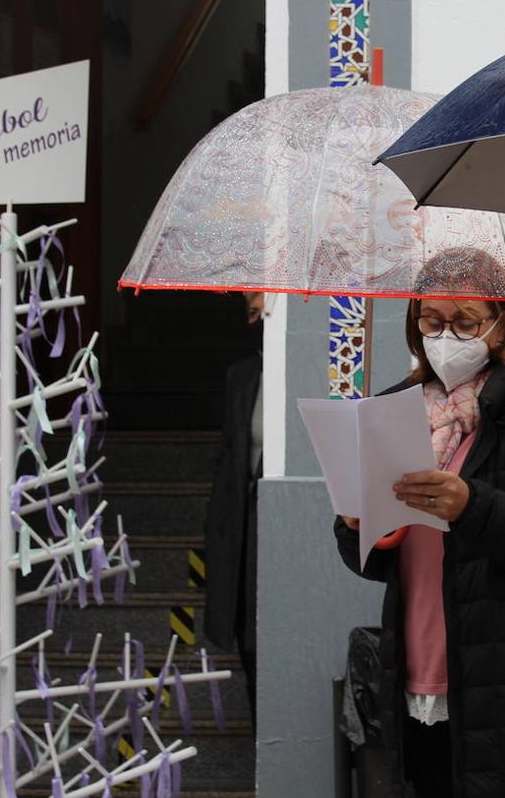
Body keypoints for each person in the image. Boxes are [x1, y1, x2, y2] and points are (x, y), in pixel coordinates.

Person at [334, 249, 505, 798]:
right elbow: (374, 562)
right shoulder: (398, 407)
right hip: (419, 669)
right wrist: (357, 524)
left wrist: (469, 505)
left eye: (465, 322)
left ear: (504, 322)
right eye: (431, 321)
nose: (446, 336)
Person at [205, 291, 265, 723]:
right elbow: (228, 456)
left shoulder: (303, 372)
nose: (257, 317)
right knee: (247, 640)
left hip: (282, 526)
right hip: (242, 524)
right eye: (250, 311)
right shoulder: (241, 376)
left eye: (263, 307)